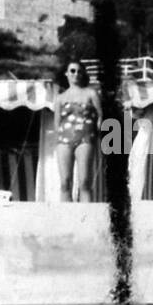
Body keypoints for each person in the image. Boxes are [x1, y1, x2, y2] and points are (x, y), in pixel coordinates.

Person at [53, 59, 102, 202]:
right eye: (72, 71)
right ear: (66, 74)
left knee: (85, 182)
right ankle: (66, 219)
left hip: (85, 138)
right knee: (64, 182)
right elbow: (56, 123)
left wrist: (97, 135)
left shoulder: (91, 93)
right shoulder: (60, 97)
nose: (76, 74)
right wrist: (59, 139)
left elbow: (100, 115)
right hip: (64, 139)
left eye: (79, 71)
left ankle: (86, 219)